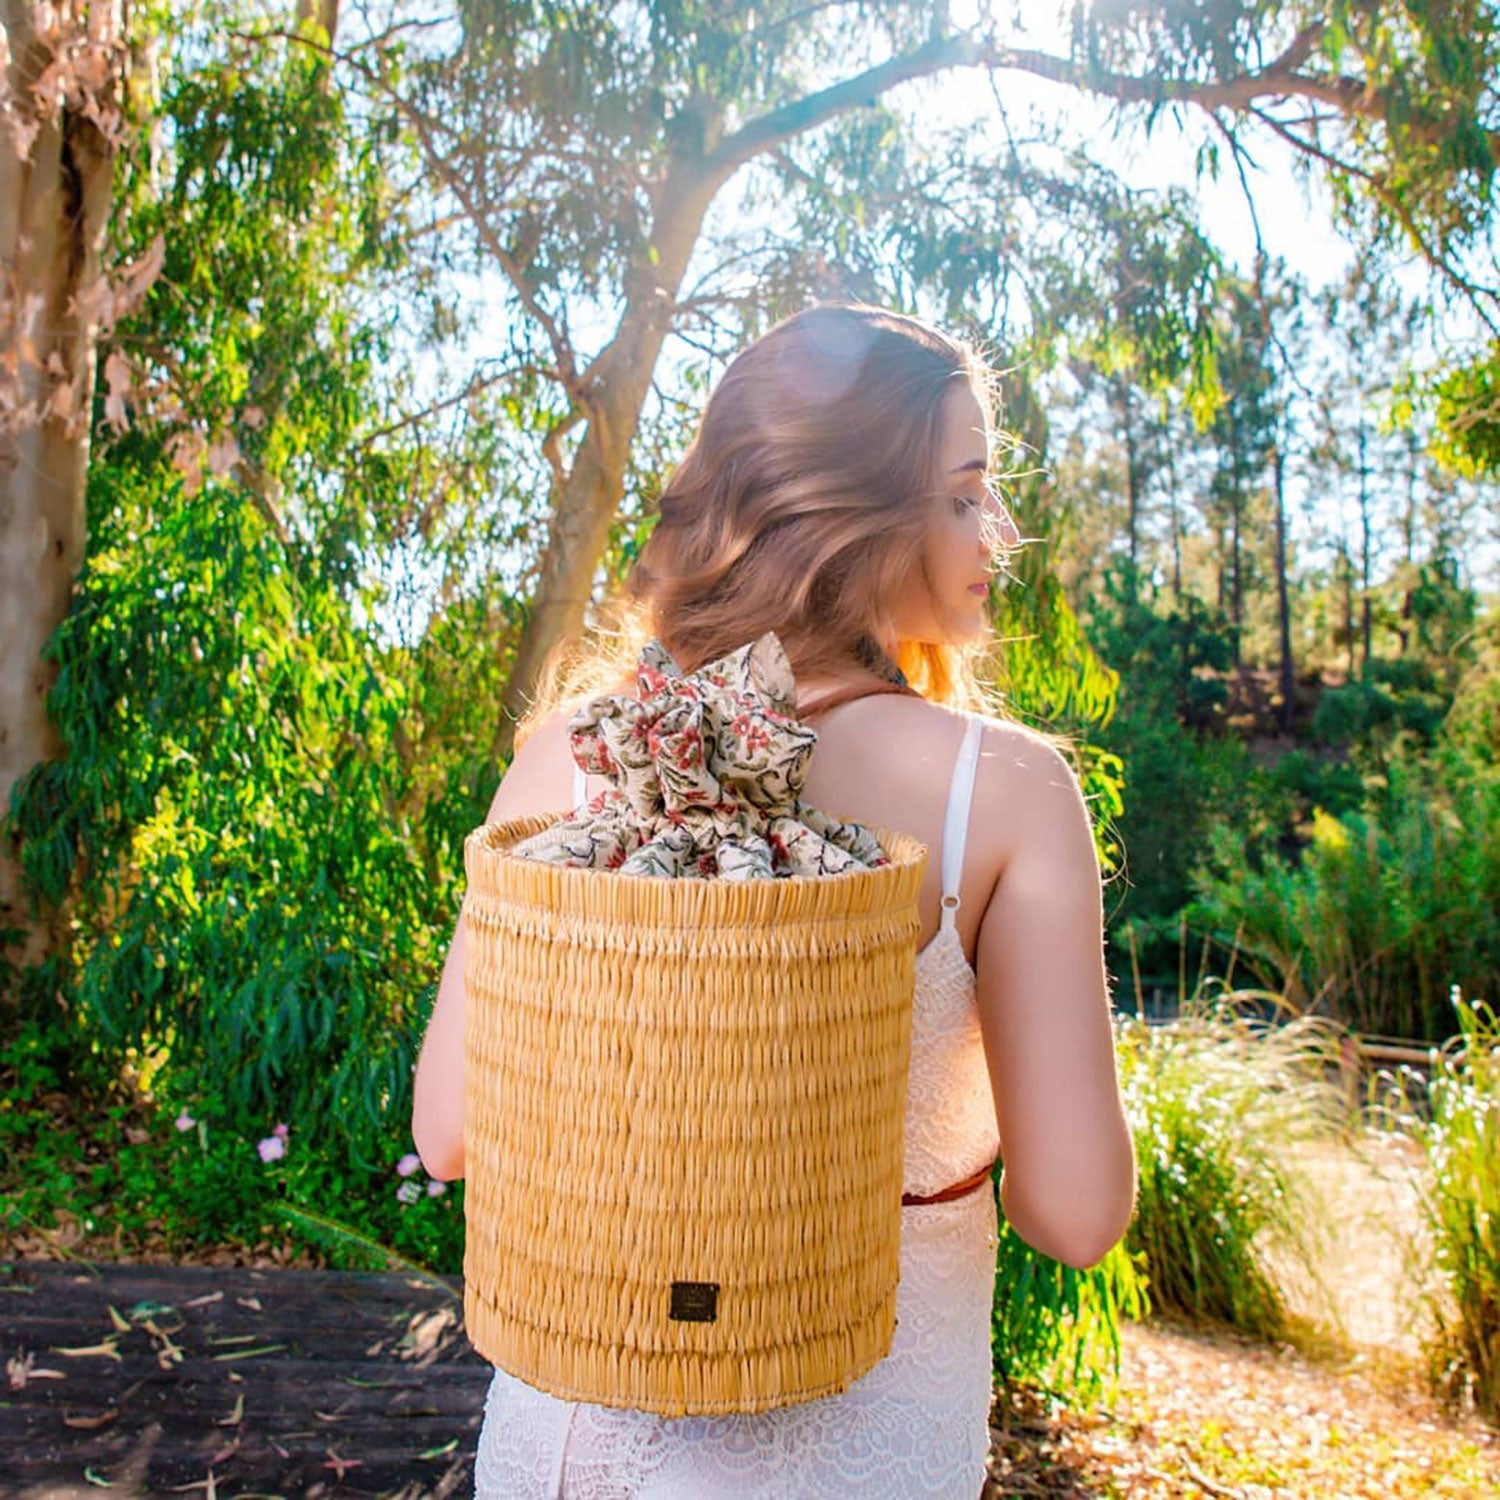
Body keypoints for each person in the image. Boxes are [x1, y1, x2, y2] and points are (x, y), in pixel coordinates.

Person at [412, 302, 1137, 1497]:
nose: (992, 530)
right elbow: (1075, 1214)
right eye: (964, 492)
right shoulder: (1001, 793)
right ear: (854, 515)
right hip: (846, 1452)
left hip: (560, 1446)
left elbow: (447, 1132)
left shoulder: (568, 755)